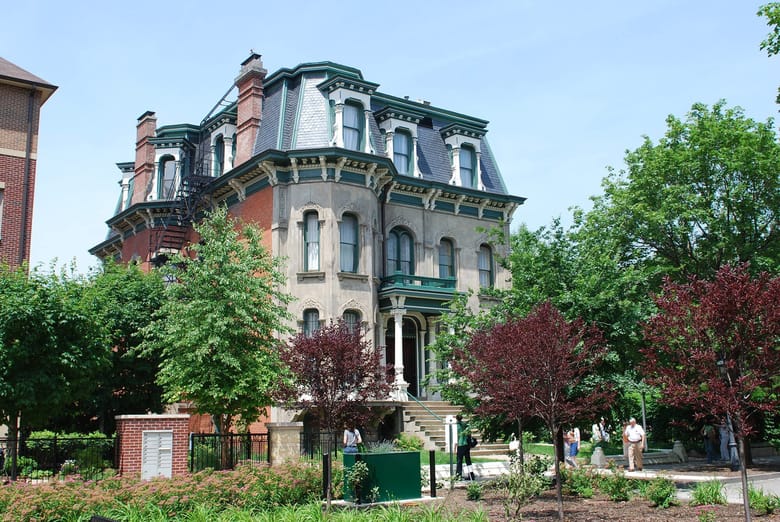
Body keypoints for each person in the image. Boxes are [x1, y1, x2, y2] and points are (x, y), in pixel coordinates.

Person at [455, 414, 475, 480]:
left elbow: (456, 436)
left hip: (460, 445)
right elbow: (469, 434)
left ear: (456, 418)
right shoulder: (466, 425)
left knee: (459, 460)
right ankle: (471, 475)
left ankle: (458, 475)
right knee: (468, 460)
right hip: (466, 445)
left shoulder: (456, 426)